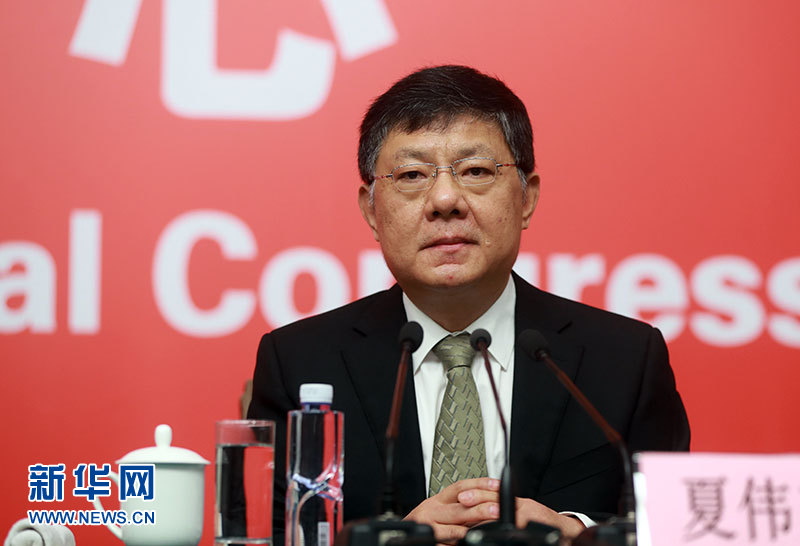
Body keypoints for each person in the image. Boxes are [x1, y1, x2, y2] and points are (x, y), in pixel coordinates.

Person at [248, 65, 690, 546]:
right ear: (371, 210)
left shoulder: (625, 360)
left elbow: (676, 530)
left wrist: (581, 535)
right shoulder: (299, 362)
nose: (444, 199)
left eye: (476, 171)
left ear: (527, 198)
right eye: (412, 175)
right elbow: (272, 535)